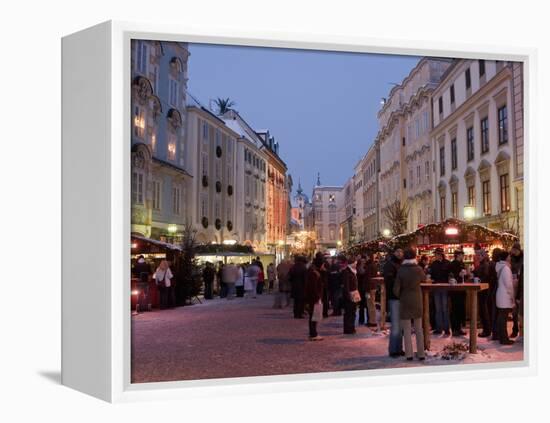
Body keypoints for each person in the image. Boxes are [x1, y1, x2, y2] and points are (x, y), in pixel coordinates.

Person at [393, 248, 426, 361]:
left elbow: (396, 290)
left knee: (406, 330)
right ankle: (421, 354)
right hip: (417, 300)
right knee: (418, 329)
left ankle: (409, 354)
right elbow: (424, 279)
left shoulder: (401, 270)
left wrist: (400, 294)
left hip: (405, 301)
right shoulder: (418, 269)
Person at [384, 247, 404, 356]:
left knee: (400, 325)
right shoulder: (390, 264)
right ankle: (393, 349)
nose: (400, 253)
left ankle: (399, 348)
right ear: (394, 252)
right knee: (396, 325)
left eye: (401, 251)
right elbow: (389, 281)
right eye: (397, 251)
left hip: (402, 297)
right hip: (394, 297)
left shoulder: (402, 264)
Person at [429, 247, 451, 336]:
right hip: (436, 287)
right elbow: (431, 275)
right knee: (438, 309)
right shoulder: (433, 264)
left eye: (437, 254)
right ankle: (439, 328)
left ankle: (446, 328)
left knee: (444, 309)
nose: (436, 256)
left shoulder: (447, 263)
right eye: (435, 254)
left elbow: (450, 275)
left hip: (445, 287)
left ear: (441, 254)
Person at [495, 251, 515, 345]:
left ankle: (501, 337)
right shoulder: (506, 268)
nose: (510, 257)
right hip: (505, 296)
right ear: (506, 257)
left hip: (500, 294)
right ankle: (504, 339)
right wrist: (512, 297)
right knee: (503, 318)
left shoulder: (499, 266)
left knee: (501, 317)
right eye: (509, 256)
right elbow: (509, 285)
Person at [305, 255, 324, 340]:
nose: (323, 266)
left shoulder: (313, 271)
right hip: (314, 298)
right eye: (322, 264)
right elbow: (313, 287)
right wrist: (317, 297)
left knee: (314, 316)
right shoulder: (314, 273)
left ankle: (313, 333)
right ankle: (313, 334)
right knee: (314, 316)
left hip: (313, 297)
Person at [474, 249, 492, 337]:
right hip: (483, 289)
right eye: (477, 256)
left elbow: (485, 277)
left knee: (483, 310)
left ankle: (487, 330)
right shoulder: (483, 264)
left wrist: (478, 279)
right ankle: (487, 329)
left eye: (479, 256)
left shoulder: (484, 265)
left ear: (483, 256)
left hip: (483, 290)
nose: (477, 257)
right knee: (483, 310)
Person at [449, 249, 467, 336]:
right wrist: (458, 275)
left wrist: (466, 274)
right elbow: (451, 276)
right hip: (455, 290)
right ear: (457, 255)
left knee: (460, 309)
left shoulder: (462, 264)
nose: (463, 256)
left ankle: (459, 328)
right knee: (455, 309)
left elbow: (464, 275)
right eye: (461, 255)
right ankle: (455, 329)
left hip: (461, 289)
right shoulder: (452, 264)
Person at [340, 254, 359, 335]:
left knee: (353, 312)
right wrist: (348, 296)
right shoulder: (347, 272)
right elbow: (346, 285)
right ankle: (348, 329)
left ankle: (351, 327)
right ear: (352, 263)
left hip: (354, 294)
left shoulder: (353, 271)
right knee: (349, 312)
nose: (356, 264)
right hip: (349, 295)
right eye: (355, 263)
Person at [510, 242, 523, 338]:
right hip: (514, 284)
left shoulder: (524, 258)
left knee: (522, 311)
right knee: (514, 310)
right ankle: (515, 329)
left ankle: (522, 330)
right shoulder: (511, 258)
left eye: (515, 250)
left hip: (522, 285)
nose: (513, 251)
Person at [365, 254, 379, 328]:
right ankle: (371, 320)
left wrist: (367, 289)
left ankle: (372, 321)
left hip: (369, 288)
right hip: (372, 287)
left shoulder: (370, 266)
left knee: (370, 304)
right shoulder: (373, 265)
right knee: (370, 304)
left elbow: (368, 278)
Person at [356, 256, 368, 325]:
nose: (363, 262)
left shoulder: (363, 268)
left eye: (364, 261)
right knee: (362, 305)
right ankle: (361, 319)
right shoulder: (360, 269)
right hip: (361, 289)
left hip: (363, 289)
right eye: (362, 261)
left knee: (364, 305)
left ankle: (362, 319)